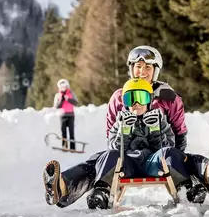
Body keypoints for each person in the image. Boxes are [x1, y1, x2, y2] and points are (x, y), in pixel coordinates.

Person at [42, 45, 209, 208]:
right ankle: (63, 187)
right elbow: (112, 140)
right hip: (125, 158)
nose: (142, 72)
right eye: (138, 67)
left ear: (155, 71)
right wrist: (124, 131)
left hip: (159, 157)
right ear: (131, 70)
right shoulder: (118, 97)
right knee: (100, 160)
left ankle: (208, 174)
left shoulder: (168, 97)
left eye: (148, 67)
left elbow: (177, 134)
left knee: (182, 157)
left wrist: (174, 158)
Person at [45, 78, 190, 209]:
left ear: (149, 100)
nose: (136, 104)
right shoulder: (120, 122)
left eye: (141, 98)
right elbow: (114, 148)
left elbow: (167, 148)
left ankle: (187, 188)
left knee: (171, 153)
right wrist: (124, 131)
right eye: (130, 99)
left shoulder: (159, 120)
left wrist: (154, 130)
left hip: (153, 163)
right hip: (127, 164)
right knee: (107, 156)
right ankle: (71, 187)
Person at [53, 79, 79, 151]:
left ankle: (73, 148)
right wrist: (61, 100)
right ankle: (64, 147)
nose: (64, 88)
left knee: (71, 133)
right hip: (62, 116)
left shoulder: (71, 93)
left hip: (71, 115)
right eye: (62, 87)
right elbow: (56, 106)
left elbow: (76, 103)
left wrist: (68, 99)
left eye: (65, 86)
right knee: (63, 132)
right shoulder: (58, 95)